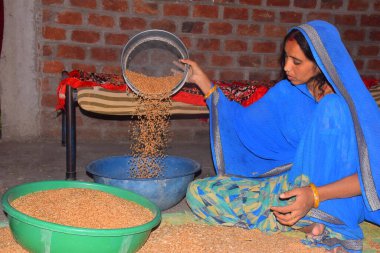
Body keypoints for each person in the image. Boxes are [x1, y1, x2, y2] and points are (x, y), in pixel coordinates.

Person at [180, 20, 380, 253]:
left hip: (338, 197)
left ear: (320, 63)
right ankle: (305, 223)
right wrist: (202, 81)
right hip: (291, 186)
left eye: (296, 61)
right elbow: (242, 125)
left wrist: (313, 195)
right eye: (285, 57)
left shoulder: (346, 105)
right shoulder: (286, 93)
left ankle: (319, 221)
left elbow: (372, 177)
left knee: (291, 201)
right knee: (199, 192)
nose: (286, 67)